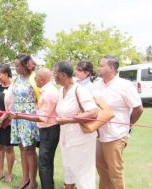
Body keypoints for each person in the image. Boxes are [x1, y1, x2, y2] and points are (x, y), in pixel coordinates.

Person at [92, 56, 143, 189]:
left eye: (102, 65)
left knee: (115, 173)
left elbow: (138, 108)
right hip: (98, 135)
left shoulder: (124, 85)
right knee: (102, 171)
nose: (99, 68)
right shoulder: (96, 86)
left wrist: (128, 125)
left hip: (116, 135)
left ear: (112, 68)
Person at [11, 68, 60, 189]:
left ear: (42, 79)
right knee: (44, 163)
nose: (34, 79)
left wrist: (20, 115)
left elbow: (42, 117)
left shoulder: (49, 93)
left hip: (49, 130)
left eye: (36, 77)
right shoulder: (45, 91)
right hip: (46, 129)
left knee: (44, 164)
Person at [54, 61, 98, 189]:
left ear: (62, 75)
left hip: (81, 140)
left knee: (83, 175)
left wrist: (68, 120)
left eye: (55, 73)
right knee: (69, 170)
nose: (53, 76)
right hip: (66, 139)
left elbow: (93, 112)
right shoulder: (62, 89)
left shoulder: (79, 90)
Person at [8, 54, 40, 189]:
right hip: (17, 116)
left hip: (29, 117)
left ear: (26, 65)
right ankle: (25, 177)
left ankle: (33, 181)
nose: (15, 68)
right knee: (22, 147)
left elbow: (41, 97)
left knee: (29, 149)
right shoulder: (16, 79)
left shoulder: (34, 78)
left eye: (17, 66)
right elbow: (13, 97)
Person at [0, 64, 15, 182]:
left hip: (8, 122)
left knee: (9, 148)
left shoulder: (13, 87)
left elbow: (12, 106)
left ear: (6, 74)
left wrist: (2, 118)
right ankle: (1, 172)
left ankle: (9, 173)